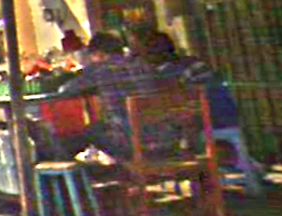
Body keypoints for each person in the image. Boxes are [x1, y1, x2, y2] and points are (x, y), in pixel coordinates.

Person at [131, 29, 265, 196]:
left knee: (166, 133)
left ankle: (198, 177)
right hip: (228, 117)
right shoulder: (194, 63)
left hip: (204, 123)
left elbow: (176, 108)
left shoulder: (166, 74)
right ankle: (244, 167)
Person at [59, 31, 162, 159]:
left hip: (128, 142)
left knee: (89, 132)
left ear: (99, 54)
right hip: (162, 137)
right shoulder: (144, 65)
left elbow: (66, 90)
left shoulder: (98, 70)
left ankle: (118, 167)